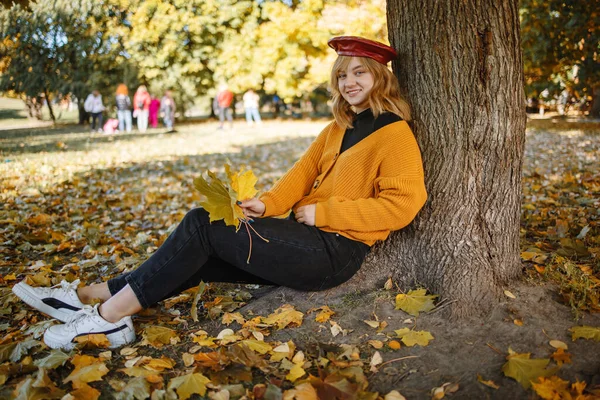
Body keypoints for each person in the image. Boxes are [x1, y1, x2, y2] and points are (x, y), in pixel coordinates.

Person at [11, 36, 427, 350]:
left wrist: (327, 214)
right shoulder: (337, 127)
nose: (349, 81)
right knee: (202, 248)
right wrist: (265, 204)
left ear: (380, 77)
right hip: (304, 240)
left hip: (335, 253)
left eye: (360, 72)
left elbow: (404, 204)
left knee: (200, 225)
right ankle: (87, 296)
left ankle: (108, 316)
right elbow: (298, 177)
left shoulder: (394, 133)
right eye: (343, 73)